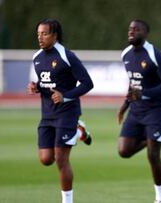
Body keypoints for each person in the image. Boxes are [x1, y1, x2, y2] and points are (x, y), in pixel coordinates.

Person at [27, 19, 94, 203]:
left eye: (44, 34)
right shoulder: (37, 57)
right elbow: (47, 84)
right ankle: (80, 129)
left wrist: (66, 96)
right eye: (38, 34)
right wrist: (37, 87)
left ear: (54, 35)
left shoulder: (67, 56)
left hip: (67, 113)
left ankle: (67, 201)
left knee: (60, 159)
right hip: (47, 115)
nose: (40, 37)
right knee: (46, 159)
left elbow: (88, 83)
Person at [117, 19, 161, 203]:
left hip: (156, 110)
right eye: (130, 29)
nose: (131, 31)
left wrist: (144, 94)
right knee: (124, 151)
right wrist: (125, 105)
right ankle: (159, 137)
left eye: (136, 29)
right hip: (136, 111)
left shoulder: (153, 54)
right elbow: (133, 83)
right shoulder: (126, 54)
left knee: (153, 155)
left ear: (146, 33)